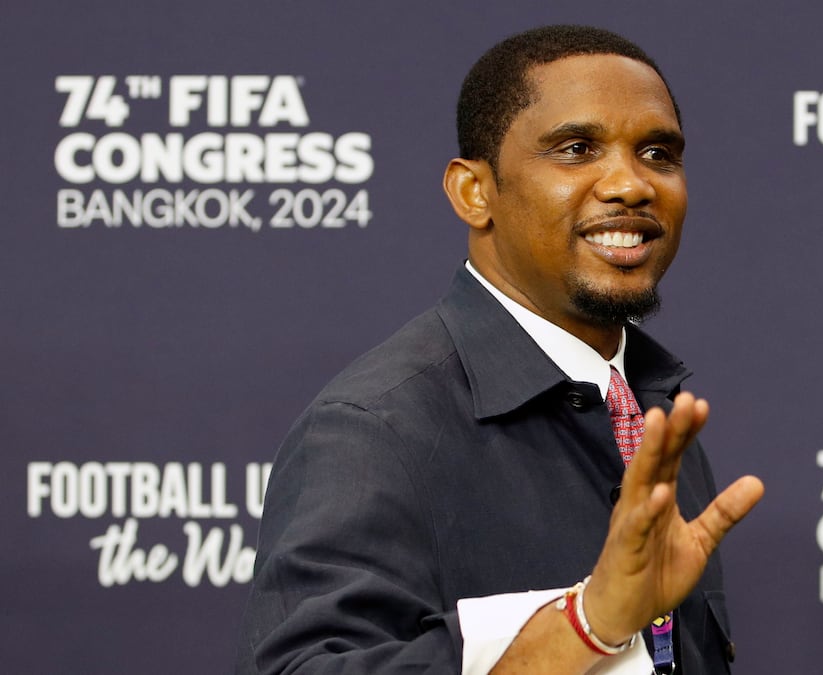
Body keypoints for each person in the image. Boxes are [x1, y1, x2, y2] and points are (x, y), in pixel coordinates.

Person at [237, 24, 764, 675]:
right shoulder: (376, 428)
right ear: (474, 192)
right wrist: (585, 625)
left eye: (658, 153)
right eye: (577, 149)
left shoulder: (651, 412)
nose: (631, 184)